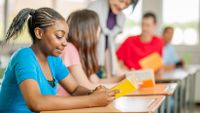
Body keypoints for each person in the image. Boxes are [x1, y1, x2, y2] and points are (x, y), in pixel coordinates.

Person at [0, 7, 118, 113]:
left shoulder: (53, 60)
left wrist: (93, 93)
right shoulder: (24, 56)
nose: (65, 43)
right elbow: (36, 103)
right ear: (39, 33)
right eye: (59, 36)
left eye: (66, 38)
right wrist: (92, 100)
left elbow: (75, 89)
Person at [60, 10, 125, 91]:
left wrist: (122, 78)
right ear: (89, 31)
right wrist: (123, 86)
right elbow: (86, 87)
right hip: (67, 101)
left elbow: (96, 81)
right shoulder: (69, 48)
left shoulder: (81, 52)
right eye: (98, 27)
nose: (100, 30)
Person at [87, 0, 139, 77]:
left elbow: (107, 48)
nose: (122, 6)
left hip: (99, 66)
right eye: (121, 1)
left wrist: (109, 74)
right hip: (87, 62)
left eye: (127, 4)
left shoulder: (120, 18)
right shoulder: (93, 9)